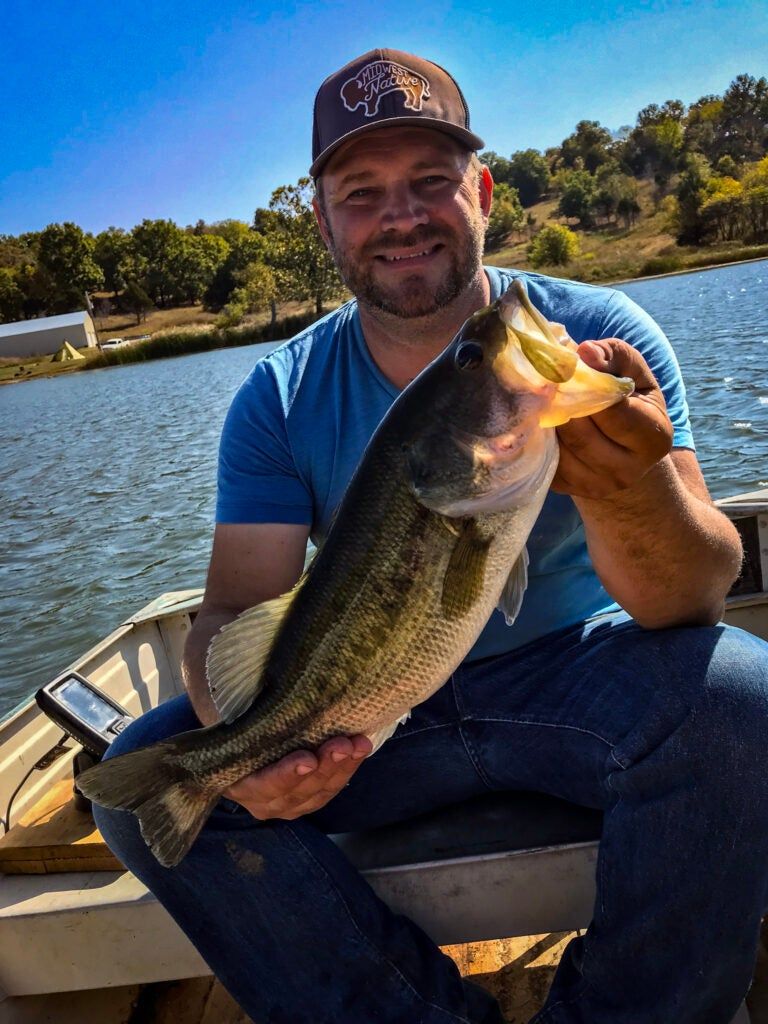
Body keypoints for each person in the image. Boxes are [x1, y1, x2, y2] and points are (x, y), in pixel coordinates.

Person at [94, 48, 768, 1024]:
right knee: (148, 774)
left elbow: (690, 599)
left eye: (430, 182)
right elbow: (234, 613)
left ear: (483, 191)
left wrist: (629, 492)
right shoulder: (278, 396)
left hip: (571, 683)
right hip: (365, 718)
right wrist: (255, 748)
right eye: (361, 192)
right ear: (321, 219)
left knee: (743, 701)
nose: (401, 216)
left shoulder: (599, 335)